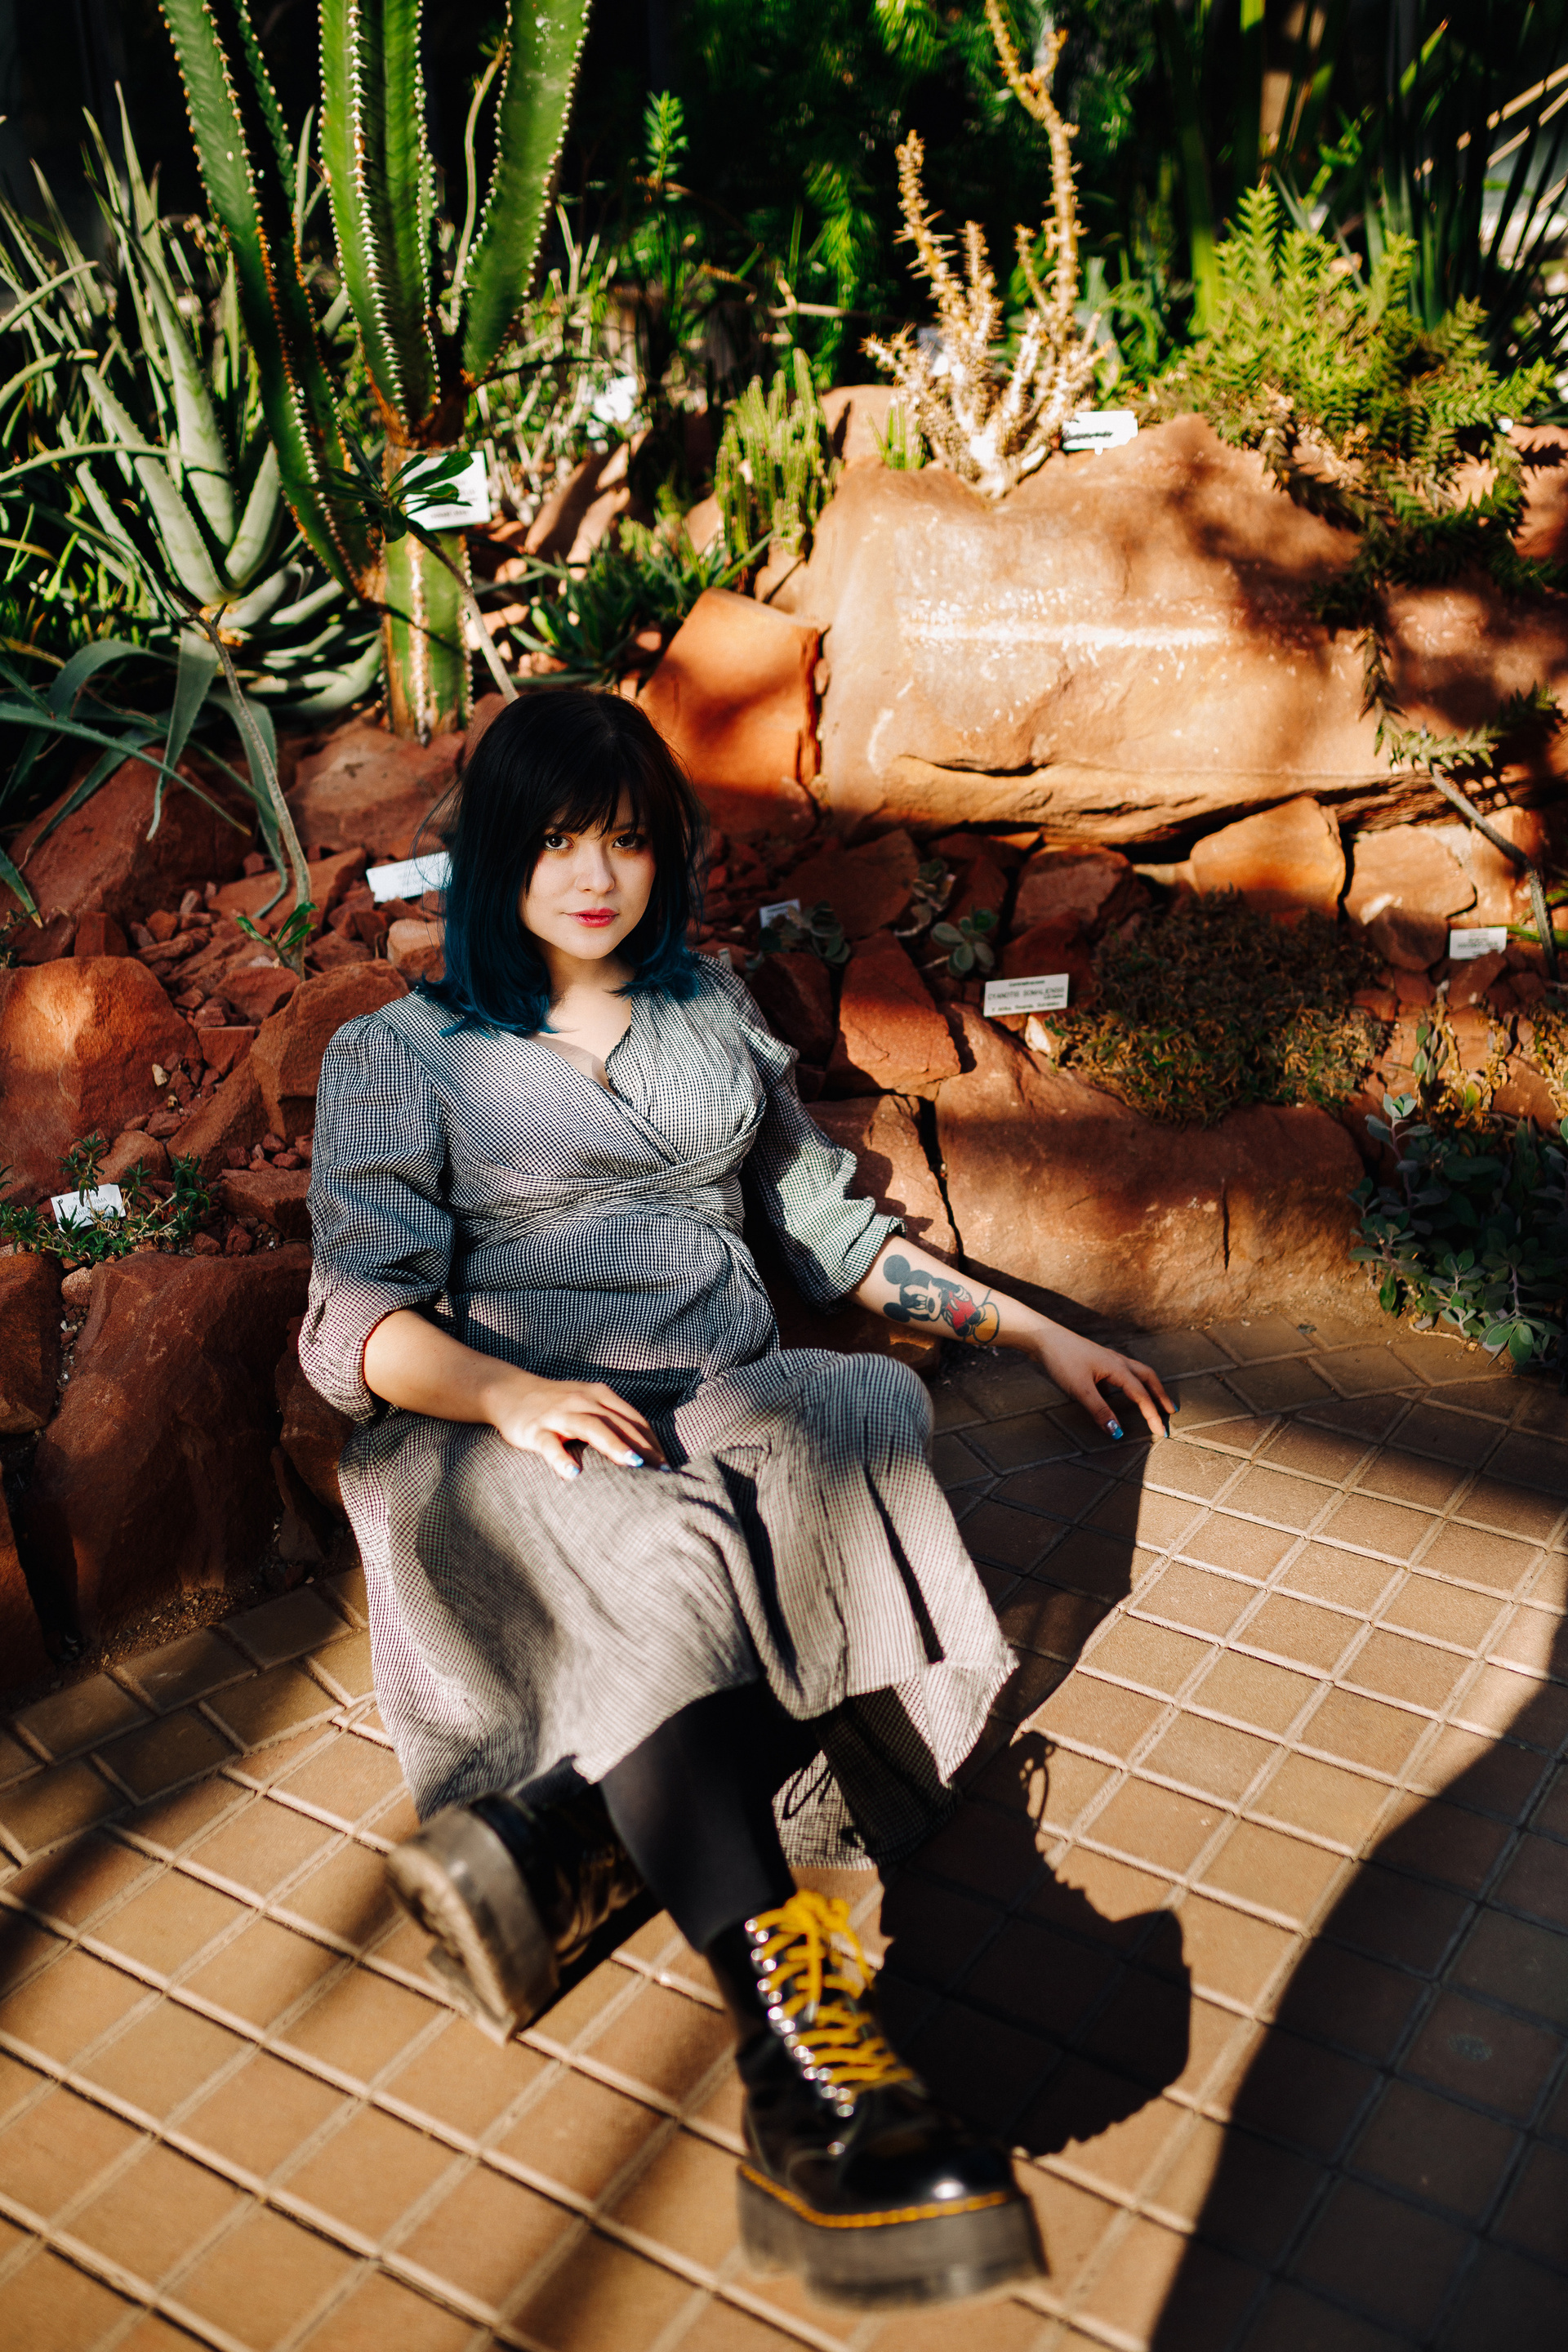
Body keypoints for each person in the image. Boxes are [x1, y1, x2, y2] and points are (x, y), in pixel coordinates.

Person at [301, 688, 1173, 2311]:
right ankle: (804, 2074)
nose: (595, 876)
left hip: (715, 1393)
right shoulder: (401, 1055)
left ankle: (575, 1835)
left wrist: (1037, 1329)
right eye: (558, 840)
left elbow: (830, 1239)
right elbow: (354, 1323)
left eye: (629, 841)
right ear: (498, 852)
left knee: (861, 1405)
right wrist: (508, 1395)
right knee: (676, 1542)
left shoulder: (704, 1015)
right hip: (508, 1433)